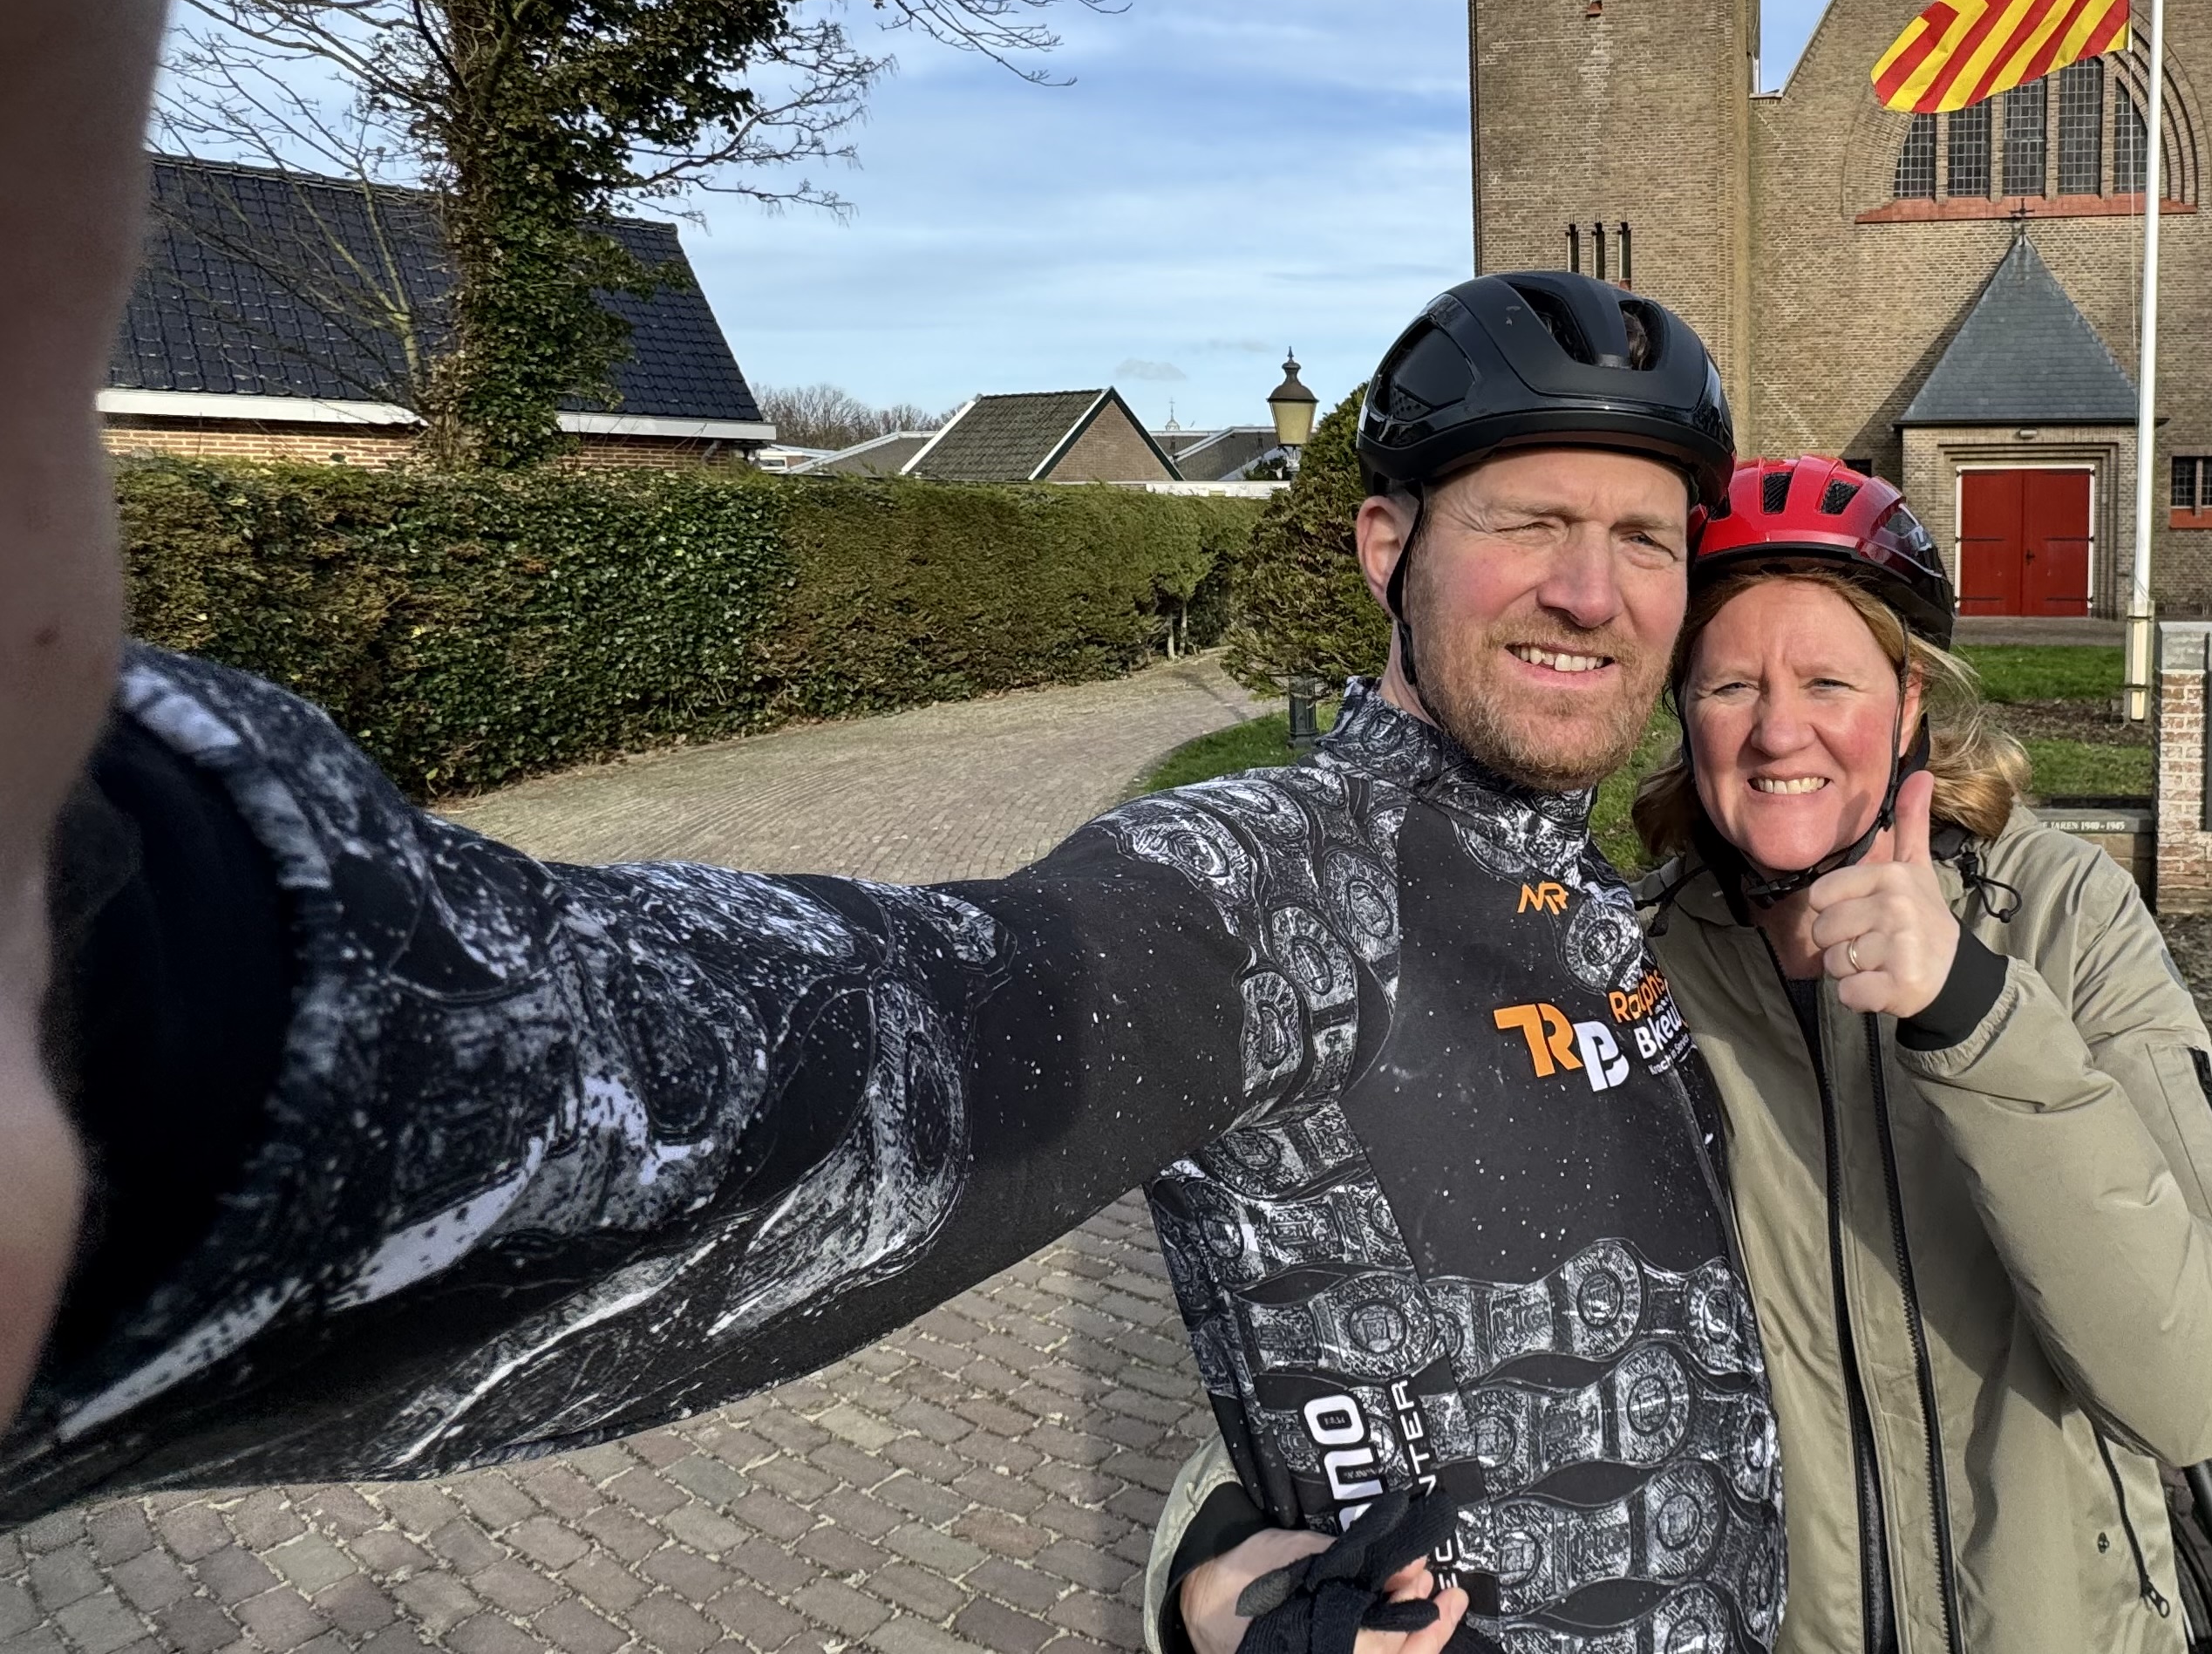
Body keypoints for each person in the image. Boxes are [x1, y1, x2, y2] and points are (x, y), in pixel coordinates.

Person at [0, 262, 1789, 1654]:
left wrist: (1210, 1565)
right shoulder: (1270, 883)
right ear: (1388, 544)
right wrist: (156, 985)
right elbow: (890, 1033)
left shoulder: (1597, 888)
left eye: (1644, 537)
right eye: (1528, 522)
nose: (1592, 588)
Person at [1636, 456, 2212, 1653]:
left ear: (1911, 696)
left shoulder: (2061, 913)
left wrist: (1973, 1014)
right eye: (1729, 683)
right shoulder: (1635, 970)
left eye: (1829, 678)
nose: (1780, 729)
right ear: (1684, 710)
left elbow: (2202, 1388)